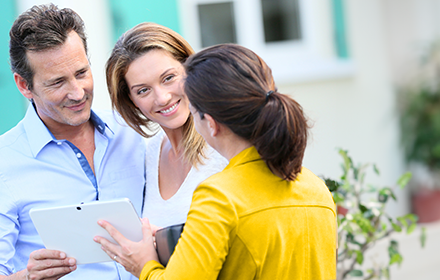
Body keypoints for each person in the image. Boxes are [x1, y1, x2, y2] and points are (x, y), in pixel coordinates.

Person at [94, 44, 338, 279]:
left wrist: (145, 266)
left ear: (210, 124)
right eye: (143, 90)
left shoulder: (219, 197)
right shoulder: (316, 188)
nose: (163, 97)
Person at [0, 4, 145, 280]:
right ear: (24, 85)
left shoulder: (133, 133)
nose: (77, 92)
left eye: (81, 73)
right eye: (57, 82)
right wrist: (27, 277)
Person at [105, 22, 227, 228]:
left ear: (190, 68)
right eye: (143, 90)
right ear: (131, 100)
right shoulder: (150, 153)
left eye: (168, 78)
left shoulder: (225, 143)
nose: (162, 98)